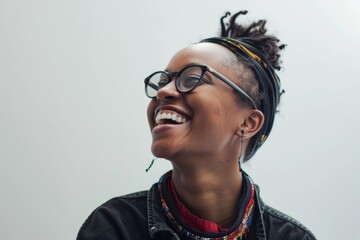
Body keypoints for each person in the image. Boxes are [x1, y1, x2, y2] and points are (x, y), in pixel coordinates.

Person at [77, 10, 317, 240]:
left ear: (248, 122)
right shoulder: (114, 226)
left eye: (191, 79)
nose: (162, 91)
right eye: (163, 81)